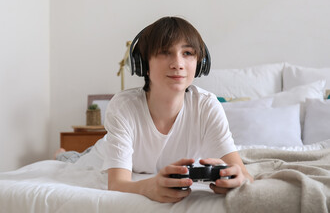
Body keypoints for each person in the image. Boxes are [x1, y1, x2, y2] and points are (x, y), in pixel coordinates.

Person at [61, 16, 253, 203]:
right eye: (164, 52)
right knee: (70, 158)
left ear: (199, 63)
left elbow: (243, 175)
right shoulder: (124, 106)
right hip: (97, 156)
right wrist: (149, 187)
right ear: (143, 64)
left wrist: (236, 179)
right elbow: (117, 183)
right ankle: (60, 153)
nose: (177, 64)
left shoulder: (206, 105)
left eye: (187, 53)